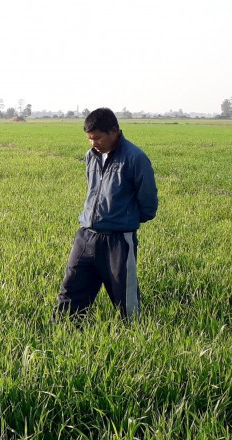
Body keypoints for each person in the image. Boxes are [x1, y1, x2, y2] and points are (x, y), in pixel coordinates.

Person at [52, 108, 158, 323]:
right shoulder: (91, 157)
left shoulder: (135, 158)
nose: (94, 143)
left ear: (114, 131)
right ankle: (64, 332)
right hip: (86, 235)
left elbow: (148, 200)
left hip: (118, 239)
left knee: (125, 298)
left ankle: (134, 340)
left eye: (98, 138)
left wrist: (126, 220)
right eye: (90, 139)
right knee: (71, 289)